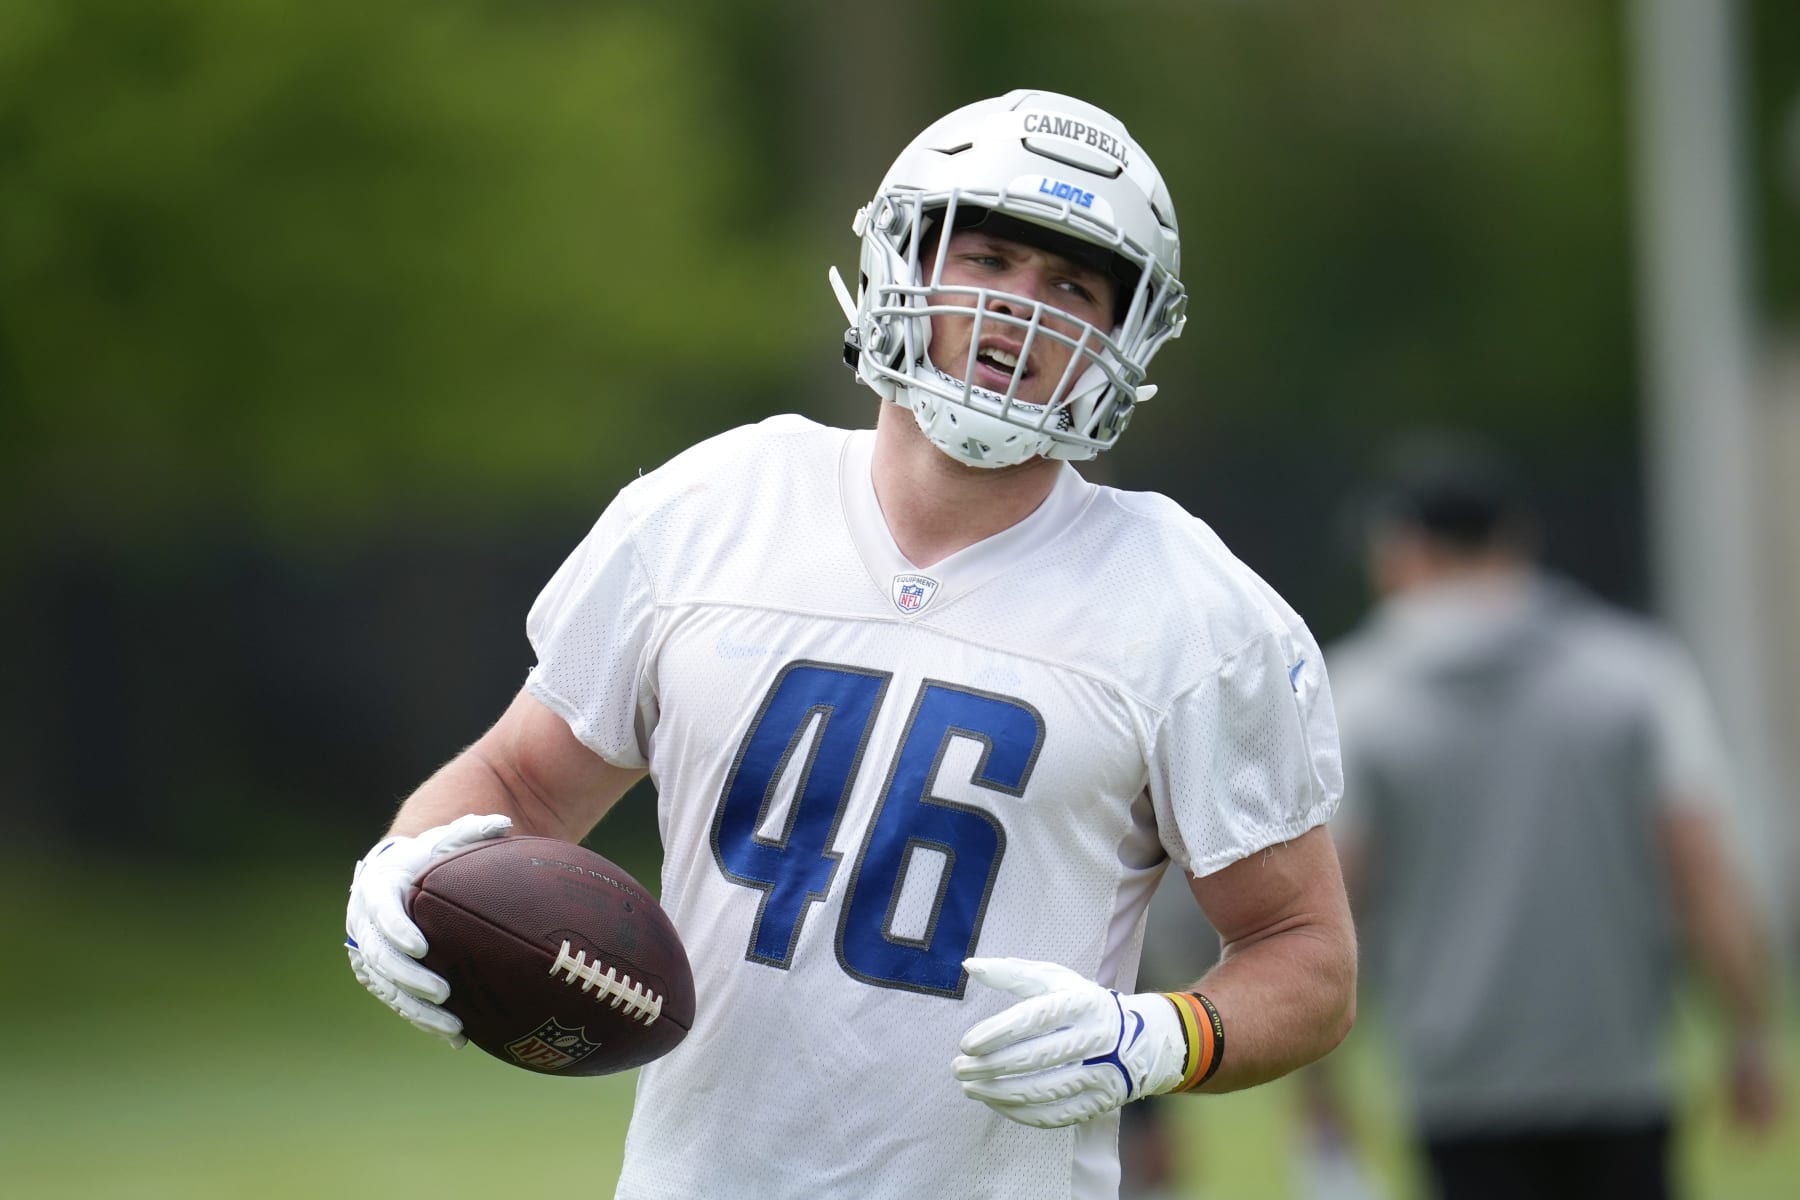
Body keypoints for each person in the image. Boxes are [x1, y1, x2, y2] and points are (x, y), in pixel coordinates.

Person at [344, 89, 1356, 1199]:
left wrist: (1155, 1039)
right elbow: (519, 783)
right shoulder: (710, 506)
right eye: (989, 257)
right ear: (902, 259)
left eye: (1072, 285)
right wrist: (405, 874)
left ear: (1125, 335)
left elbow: (1305, 953)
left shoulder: (1195, 608)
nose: (1024, 309)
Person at [1322, 436, 1783, 1200]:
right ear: (1515, 541)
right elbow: (1702, 872)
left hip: (1455, 1086)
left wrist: (1319, 1081)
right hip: (1622, 1073)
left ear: (1403, 550)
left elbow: (1337, 902)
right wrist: (1747, 1033)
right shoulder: (1638, 675)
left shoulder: (1361, 699)